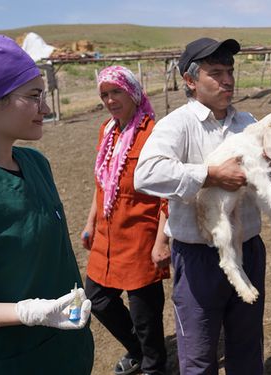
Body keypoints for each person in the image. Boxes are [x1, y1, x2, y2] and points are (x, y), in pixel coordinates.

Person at [134, 37, 266, 375]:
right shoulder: (177, 125)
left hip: (247, 249)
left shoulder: (247, 123)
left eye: (230, 72)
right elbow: (146, 174)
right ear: (190, 81)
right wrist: (209, 174)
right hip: (199, 258)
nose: (228, 81)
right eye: (216, 73)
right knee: (198, 352)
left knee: (247, 346)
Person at [0, 33, 93, 374]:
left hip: (68, 351)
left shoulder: (35, 164)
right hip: (5, 361)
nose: (46, 108)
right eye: (34, 96)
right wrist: (26, 313)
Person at [80, 66, 170, 375]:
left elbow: (166, 195)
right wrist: (91, 222)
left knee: (145, 314)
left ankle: (154, 366)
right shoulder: (107, 130)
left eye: (116, 92)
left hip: (140, 237)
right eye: (104, 94)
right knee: (97, 298)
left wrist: (162, 241)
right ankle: (138, 350)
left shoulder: (154, 134)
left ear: (132, 92)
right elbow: (100, 184)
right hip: (107, 235)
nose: (109, 100)